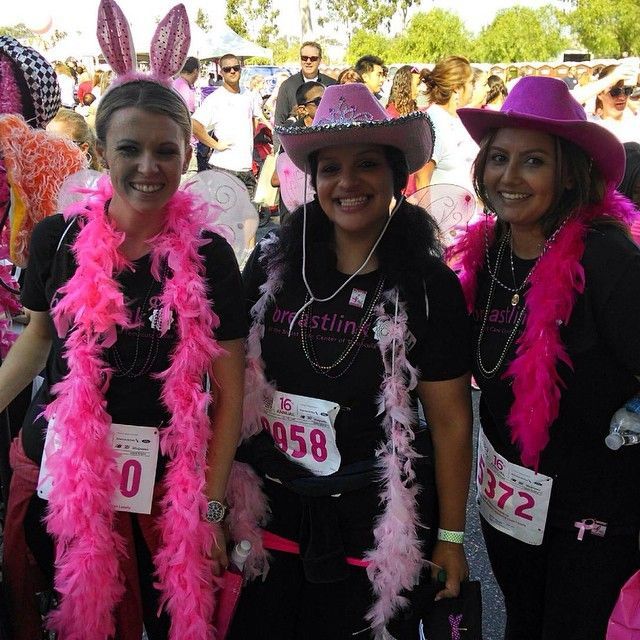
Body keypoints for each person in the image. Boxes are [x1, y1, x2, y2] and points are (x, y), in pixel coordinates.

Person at [1, 2, 246, 639]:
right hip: (65, 470)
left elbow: (229, 392)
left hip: (169, 486)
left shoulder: (211, 256)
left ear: (187, 153)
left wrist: (211, 504)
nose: (148, 167)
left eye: (166, 151)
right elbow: (37, 337)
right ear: (100, 150)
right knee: (78, 618)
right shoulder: (58, 239)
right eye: (129, 149)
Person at [227, 82, 473, 640]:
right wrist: (217, 503)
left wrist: (452, 539)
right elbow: (231, 386)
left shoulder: (429, 285)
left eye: (366, 165)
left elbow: (453, 421)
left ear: (396, 175)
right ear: (313, 180)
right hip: (273, 511)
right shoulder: (272, 266)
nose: (347, 182)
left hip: (376, 521)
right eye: (330, 168)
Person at [449, 76, 640, 640]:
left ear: (569, 171)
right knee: (521, 625)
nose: (509, 177)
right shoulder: (488, 253)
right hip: (510, 502)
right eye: (499, 158)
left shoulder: (607, 259)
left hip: (593, 509)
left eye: (533, 161)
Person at [192, 53, 262, 199]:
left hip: (246, 168)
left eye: (235, 68)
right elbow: (194, 124)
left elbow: (254, 120)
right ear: (221, 72)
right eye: (227, 69)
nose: (232, 71)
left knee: (248, 218)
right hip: (223, 168)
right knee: (224, 219)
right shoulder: (215, 99)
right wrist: (216, 145)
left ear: (240, 69)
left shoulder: (248, 95)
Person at [420, 55, 478, 192]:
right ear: (456, 88)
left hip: (471, 210)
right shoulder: (434, 123)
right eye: (471, 83)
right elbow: (422, 180)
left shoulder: (459, 119)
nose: (472, 88)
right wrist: (426, 213)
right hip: (442, 211)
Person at [273, 41, 336, 149]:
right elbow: (279, 123)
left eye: (313, 58)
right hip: (296, 147)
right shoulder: (287, 85)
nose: (308, 61)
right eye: (304, 58)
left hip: (327, 146)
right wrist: (278, 153)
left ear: (320, 60)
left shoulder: (332, 85)